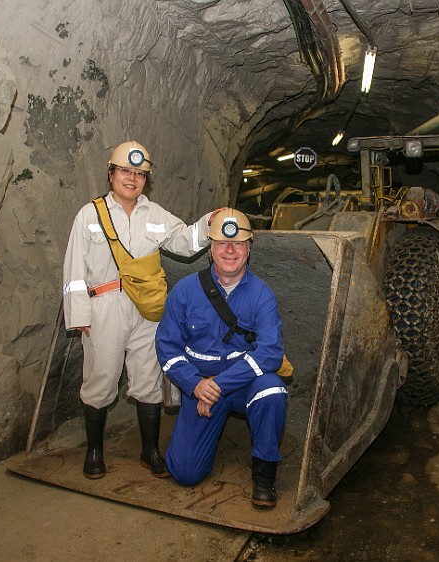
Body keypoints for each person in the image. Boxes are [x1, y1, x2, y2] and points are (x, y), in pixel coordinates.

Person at [62, 140, 218, 480]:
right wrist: (79, 317)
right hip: (104, 306)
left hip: (146, 310)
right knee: (101, 380)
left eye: (140, 174)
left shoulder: (155, 214)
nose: (132, 179)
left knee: (148, 380)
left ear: (146, 180)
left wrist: (209, 223)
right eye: (125, 171)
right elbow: (73, 269)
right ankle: (94, 451)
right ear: (111, 173)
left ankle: (149, 451)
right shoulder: (90, 215)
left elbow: (185, 243)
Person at [155, 209, 288, 508]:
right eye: (222, 243)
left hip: (242, 385)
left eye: (238, 244)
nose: (230, 250)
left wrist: (218, 384)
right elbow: (167, 346)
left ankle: (265, 476)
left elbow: (270, 353)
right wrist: (196, 386)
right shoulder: (186, 291)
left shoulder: (261, 295)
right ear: (211, 248)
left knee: (272, 390)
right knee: (185, 473)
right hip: (200, 387)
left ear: (249, 249)